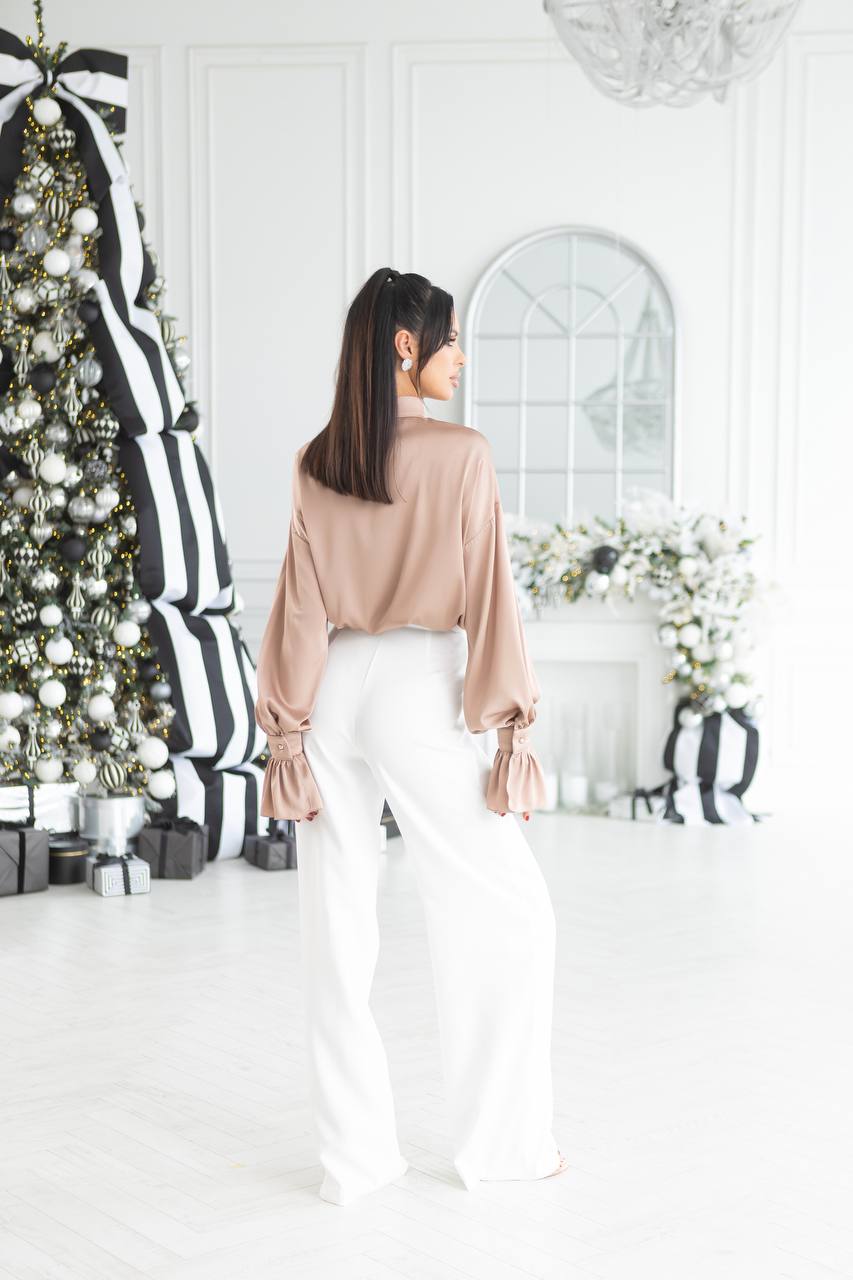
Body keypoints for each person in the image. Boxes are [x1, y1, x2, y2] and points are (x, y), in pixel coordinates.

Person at [253, 267, 567, 1205]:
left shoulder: (319, 457)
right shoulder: (462, 453)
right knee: (507, 914)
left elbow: (299, 608)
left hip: (332, 689)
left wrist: (288, 732)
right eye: (451, 340)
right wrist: (510, 723)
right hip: (418, 684)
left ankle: (354, 1163)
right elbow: (488, 600)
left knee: (335, 929)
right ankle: (504, 1148)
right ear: (405, 345)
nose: (460, 358)